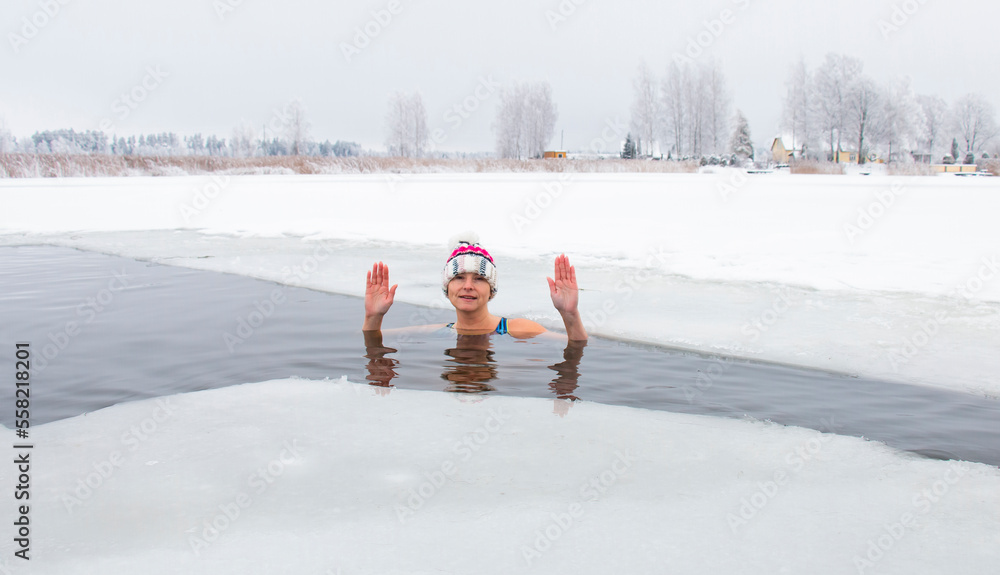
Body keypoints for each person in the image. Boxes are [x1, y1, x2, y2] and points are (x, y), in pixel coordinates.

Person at [362, 237, 588, 341]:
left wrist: (569, 314)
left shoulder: (516, 329)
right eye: (459, 277)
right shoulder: (438, 330)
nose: (468, 286)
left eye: (479, 278)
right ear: (447, 287)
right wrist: (373, 317)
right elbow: (369, 340)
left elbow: (580, 347)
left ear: (491, 289)